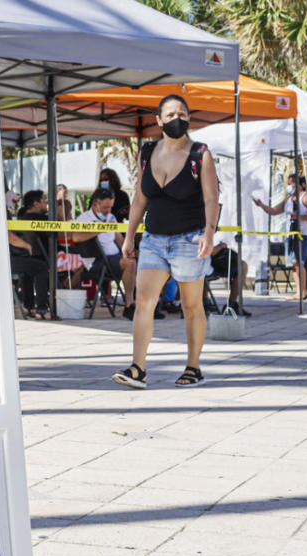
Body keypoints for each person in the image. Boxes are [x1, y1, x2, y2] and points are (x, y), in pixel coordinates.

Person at [113, 94, 218, 389]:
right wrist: (130, 236)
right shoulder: (147, 152)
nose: (177, 119)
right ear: (158, 120)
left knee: (191, 305)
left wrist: (209, 234)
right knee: (144, 301)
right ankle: (138, 368)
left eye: (182, 113)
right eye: (170, 114)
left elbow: (212, 197)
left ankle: (193, 367)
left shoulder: (200, 154)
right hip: (154, 240)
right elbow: (139, 198)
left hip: (189, 239)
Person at [69, 187, 141, 314]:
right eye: (105, 208)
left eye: (111, 207)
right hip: (97, 260)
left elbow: (119, 239)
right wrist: (99, 229)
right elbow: (76, 237)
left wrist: (132, 250)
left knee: (146, 263)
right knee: (129, 263)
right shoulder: (84, 218)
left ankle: (151, 304)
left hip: (115, 258)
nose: (108, 211)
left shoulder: (111, 217)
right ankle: (130, 304)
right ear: (95, 205)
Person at [253, 174, 307, 300]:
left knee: (298, 262)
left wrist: (299, 218)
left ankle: (304, 290)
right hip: (290, 235)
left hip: (302, 235)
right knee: (293, 265)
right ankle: (299, 291)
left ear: (301, 184)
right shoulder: (288, 199)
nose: (290, 186)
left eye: (293, 183)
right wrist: (261, 205)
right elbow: (274, 211)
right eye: (289, 183)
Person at [12, 190, 51, 319]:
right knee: (40, 266)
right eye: (44, 200)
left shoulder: (21, 220)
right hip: (42, 259)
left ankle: (28, 306)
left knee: (30, 265)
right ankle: (42, 308)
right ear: (36, 203)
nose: (46, 203)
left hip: (22, 260)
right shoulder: (43, 220)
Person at [209, 228, 249, 315]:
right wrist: (221, 246)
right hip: (204, 266)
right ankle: (231, 304)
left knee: (242, 265)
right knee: (242, 266)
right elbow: (210, 251)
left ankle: (230, 304)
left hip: (208, 264)